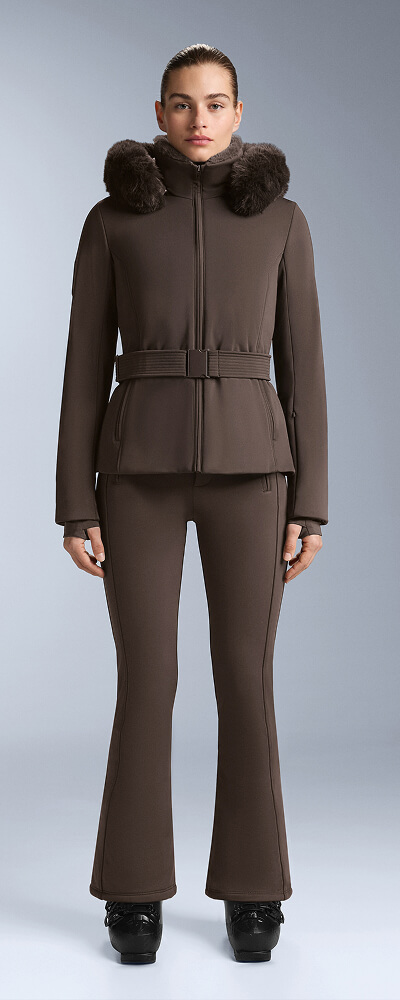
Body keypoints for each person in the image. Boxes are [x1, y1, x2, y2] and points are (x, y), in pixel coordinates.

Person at [55, 43, 328, 965]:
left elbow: (305, 367)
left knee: (247, 679)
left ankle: (255, 887)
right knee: (148, 680)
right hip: (136, 472)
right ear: (159, 111)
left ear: (239, 112)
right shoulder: (112, 220)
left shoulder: (282, 220)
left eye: (215, 103)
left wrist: (312, 503)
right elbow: (83, 365)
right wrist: (76, 502)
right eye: (181, 103)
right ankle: (132, 890)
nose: (198, 119)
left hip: (256, 474)